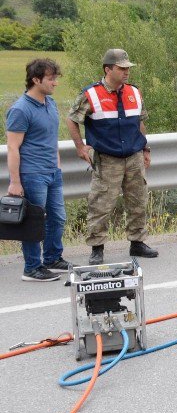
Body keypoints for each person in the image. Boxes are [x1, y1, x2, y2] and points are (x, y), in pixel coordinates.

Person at [66, 48, 158, 265]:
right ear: (108, 69)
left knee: (138, 200)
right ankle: (97, 248)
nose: (126, 72)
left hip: (134, 156)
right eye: (121, 68)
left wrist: (145, 149)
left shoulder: (134, 92)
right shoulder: (91, 94)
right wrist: (80, 147)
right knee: (101, 204)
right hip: (107, 159)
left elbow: (140, 122)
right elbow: (72, 119)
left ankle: (137, 243)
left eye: (128, 68)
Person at [4, 58, 74, 281]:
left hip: (53, 172)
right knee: (35, 221)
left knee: (58, 217)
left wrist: (58, 166)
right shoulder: (20, 110)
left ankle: (52, 258)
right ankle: (32, 268)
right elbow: (13, 148)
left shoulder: (50, 103)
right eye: (51, 79)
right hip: (32, 174)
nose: (55, 83)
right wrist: (15, 182)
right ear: (36, 79)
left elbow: (50, 139)